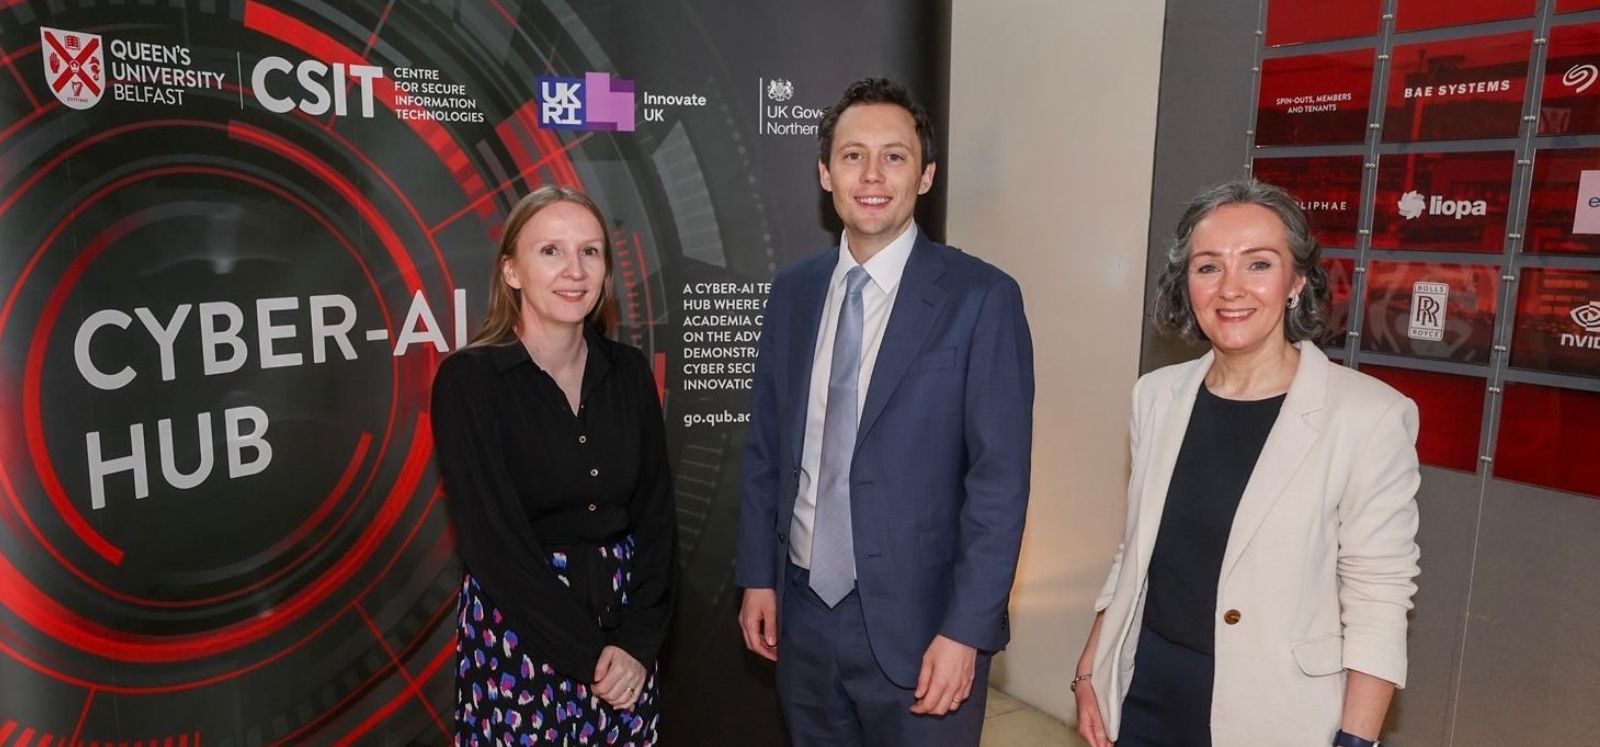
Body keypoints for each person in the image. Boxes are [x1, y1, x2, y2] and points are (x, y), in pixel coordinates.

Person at [734, 77, 1035, 747]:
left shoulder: (981, 299)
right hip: (804, 618)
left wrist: (966, 630)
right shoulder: (793, 292)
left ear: (925, 175)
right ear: (825, 173)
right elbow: (766, 447)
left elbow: (1000, 482)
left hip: (926, 628)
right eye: (852, 156)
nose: (873, 175)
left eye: (894, 156)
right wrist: (758, 574)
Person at [1073, 179, 1421, 747]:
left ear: (1297, 281)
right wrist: (1092, 666)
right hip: (1147, 688)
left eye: (1258, 264)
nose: (1231, 288)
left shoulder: (1368, 416)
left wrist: (1357, 739)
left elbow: (1379, 594)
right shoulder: (1157, 395)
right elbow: (1136, 547)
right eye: (1208, 267)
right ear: (1187, 285)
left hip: (1279, 710)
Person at [431, 185, 675, 747]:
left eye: (590, 252)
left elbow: (657, 519)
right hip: (521, 635)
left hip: (627, 642)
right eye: (551, 251)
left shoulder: (630, 371)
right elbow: (494, 545)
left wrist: (636, 647)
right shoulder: (470, 383)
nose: (575, 270)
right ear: (511, 270)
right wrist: (591, 660)